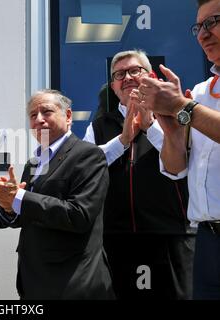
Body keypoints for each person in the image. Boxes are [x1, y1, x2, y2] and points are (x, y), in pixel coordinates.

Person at [0, 89, 114, 299]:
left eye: (46, 112)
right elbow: (27, 214)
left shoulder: (88, 155)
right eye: (32, 115)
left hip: (71, 280)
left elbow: (80, 215)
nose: (39, 119)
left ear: (68, 116)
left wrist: (18, 198)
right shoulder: (33, 163)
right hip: (33, 280)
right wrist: (7, 205)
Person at [84, 50, 195, 300]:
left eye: (136, 71)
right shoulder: (98, 126)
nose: (128, 78)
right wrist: (123, 140)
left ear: (151, 76)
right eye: (120, 74)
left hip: (171, 235)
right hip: (116, 239)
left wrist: (150, 127)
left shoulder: (175, 115)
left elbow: (187, 159)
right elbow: (87, 167)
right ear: (113, 87)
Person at [133, 0, 220, 299]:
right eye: (199, 26)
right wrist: (172, 131)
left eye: (213, 22)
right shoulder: (199, 93)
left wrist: (181, 107)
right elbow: (175, 168)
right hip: (208, 241)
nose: (203, 34)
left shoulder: (190, 101)